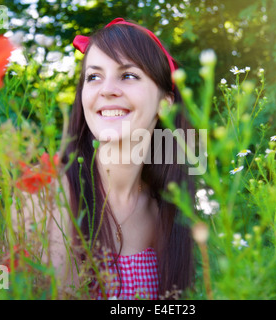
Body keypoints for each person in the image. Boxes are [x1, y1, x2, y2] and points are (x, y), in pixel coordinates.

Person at [12, 18, 195, 300]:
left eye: (129, 75)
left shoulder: (166, 212)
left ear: (165, 104)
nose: (106, 89)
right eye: (94, 77)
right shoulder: (46, 196)